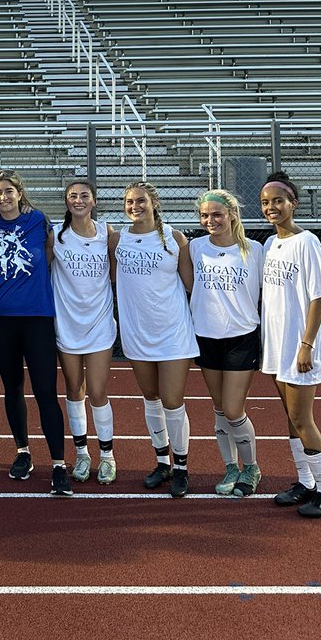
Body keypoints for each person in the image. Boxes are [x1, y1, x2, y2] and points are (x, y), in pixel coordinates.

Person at [0, 171, 72, 497]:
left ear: (19, 193)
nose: (3, 198)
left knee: (46, 391)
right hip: (0, 317)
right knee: (13, 387)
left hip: (37, 317)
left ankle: (59, 464)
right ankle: (22, 452)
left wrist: (30, 279)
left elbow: (50, 251)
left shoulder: (38, 221)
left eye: (8, 192)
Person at [260, 172, 321, 517]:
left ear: (293, 203)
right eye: (265, 202)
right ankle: (305, 483)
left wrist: (306, 344)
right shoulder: (268, 244)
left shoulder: (307, 242)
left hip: (299, 345)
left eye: (278, 200)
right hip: (277, 343)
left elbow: (319, 297)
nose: (271, 207)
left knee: (301, 417)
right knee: (290, 418)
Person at [115, 181, 198, 497]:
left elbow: (191, 284)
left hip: (173, 331)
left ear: (154, 204)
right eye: (129, 201)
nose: (134, 206)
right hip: (137, 332)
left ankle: (181, 468)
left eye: (140, 201)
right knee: (151, 398)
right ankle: (162, 461)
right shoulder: (117, 239)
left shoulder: (175, 238)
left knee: (172, 400)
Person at [185, 189, 264, 497]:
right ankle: (230, 467)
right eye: (204, 216)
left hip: (241, 336)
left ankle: (251, 467)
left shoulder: (254, 249)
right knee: (219, 408)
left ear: (232, 214)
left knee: (233, 409)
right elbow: (190, 284)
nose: (210, 221)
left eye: (216, 215)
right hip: (206, 334)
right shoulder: (194, 247)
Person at [51, 179, 117, 485]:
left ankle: (107, 456)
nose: (78, 200)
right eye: (73, 196)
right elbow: (35, 268)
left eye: (84, 196)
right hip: (68, 324)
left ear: (94, 201)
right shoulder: (56, 236)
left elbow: (119, 276)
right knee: (74, 389)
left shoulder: (108, 234)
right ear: (66, 202)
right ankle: (81, 454)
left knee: (98, 391)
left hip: (100, 323)